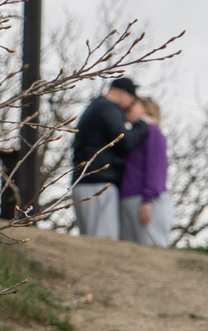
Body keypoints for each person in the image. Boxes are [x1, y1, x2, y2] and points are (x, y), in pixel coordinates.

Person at [69, 77, 144, 238]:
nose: (129, 106)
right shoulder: (107, 108)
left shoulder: (97, 106)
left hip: (88, 181)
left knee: (93, 239)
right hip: (97, 183)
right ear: (123, 94)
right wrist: (141, 124)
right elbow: (124, 141)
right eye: (131, 100)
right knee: (103, 239)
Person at [118, 95, 172, 247]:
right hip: (129, 199)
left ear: (146, 108)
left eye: (133, 104)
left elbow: (157, 168)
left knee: (152, 250)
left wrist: (147, 200)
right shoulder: (135, 135)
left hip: (146, 200)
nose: (127, 107)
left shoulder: (153, 132)